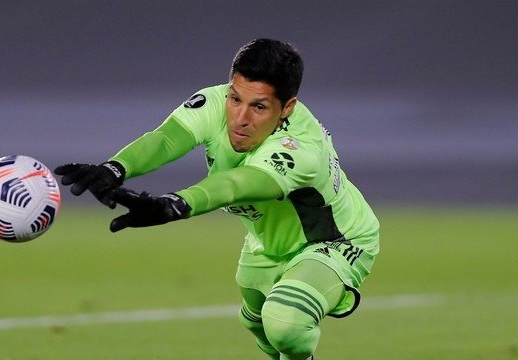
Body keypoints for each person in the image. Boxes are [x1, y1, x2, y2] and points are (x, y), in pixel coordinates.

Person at [55, 38, 380, 360]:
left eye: (259, 107)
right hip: (265, 242)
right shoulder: (216, 102)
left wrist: (174, 204)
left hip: (336, 240)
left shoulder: (301, 148)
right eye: (235, 98)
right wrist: (115, 168)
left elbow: (236, 184)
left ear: (287, 108)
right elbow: (166, 139)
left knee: (285, 323)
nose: (240, 118)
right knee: (260, 328)